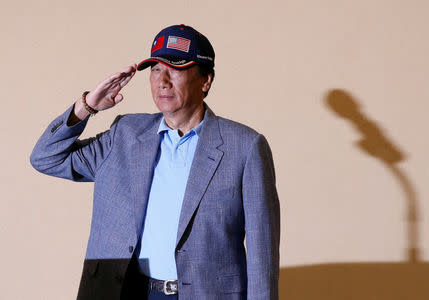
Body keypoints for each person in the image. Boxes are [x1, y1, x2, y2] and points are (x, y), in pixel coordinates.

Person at [30, 24, 280, 300]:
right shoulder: (124, 134)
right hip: (125, 292)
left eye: (176, 67)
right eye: (156, 69)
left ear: (205, 80)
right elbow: (46, 158)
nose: (163, 80)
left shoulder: (244, 147)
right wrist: (86, 107)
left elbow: (262, 253)